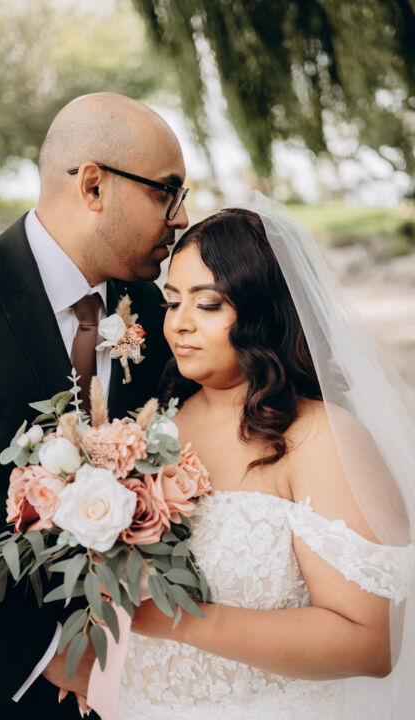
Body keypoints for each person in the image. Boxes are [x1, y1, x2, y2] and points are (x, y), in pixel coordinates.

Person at [0, 92, 188, 719]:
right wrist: (39, 655)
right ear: (94, 185)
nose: (181, 217)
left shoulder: (161, 317)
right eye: (167, 192)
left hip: (136, 688)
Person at [119, 195, 415, 719]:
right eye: (172, 301)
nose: (180, 323)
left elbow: (372, 642)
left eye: (208, 304)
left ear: (264, 311)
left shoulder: (321, 437)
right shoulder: (151, 426)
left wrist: (181, 619)